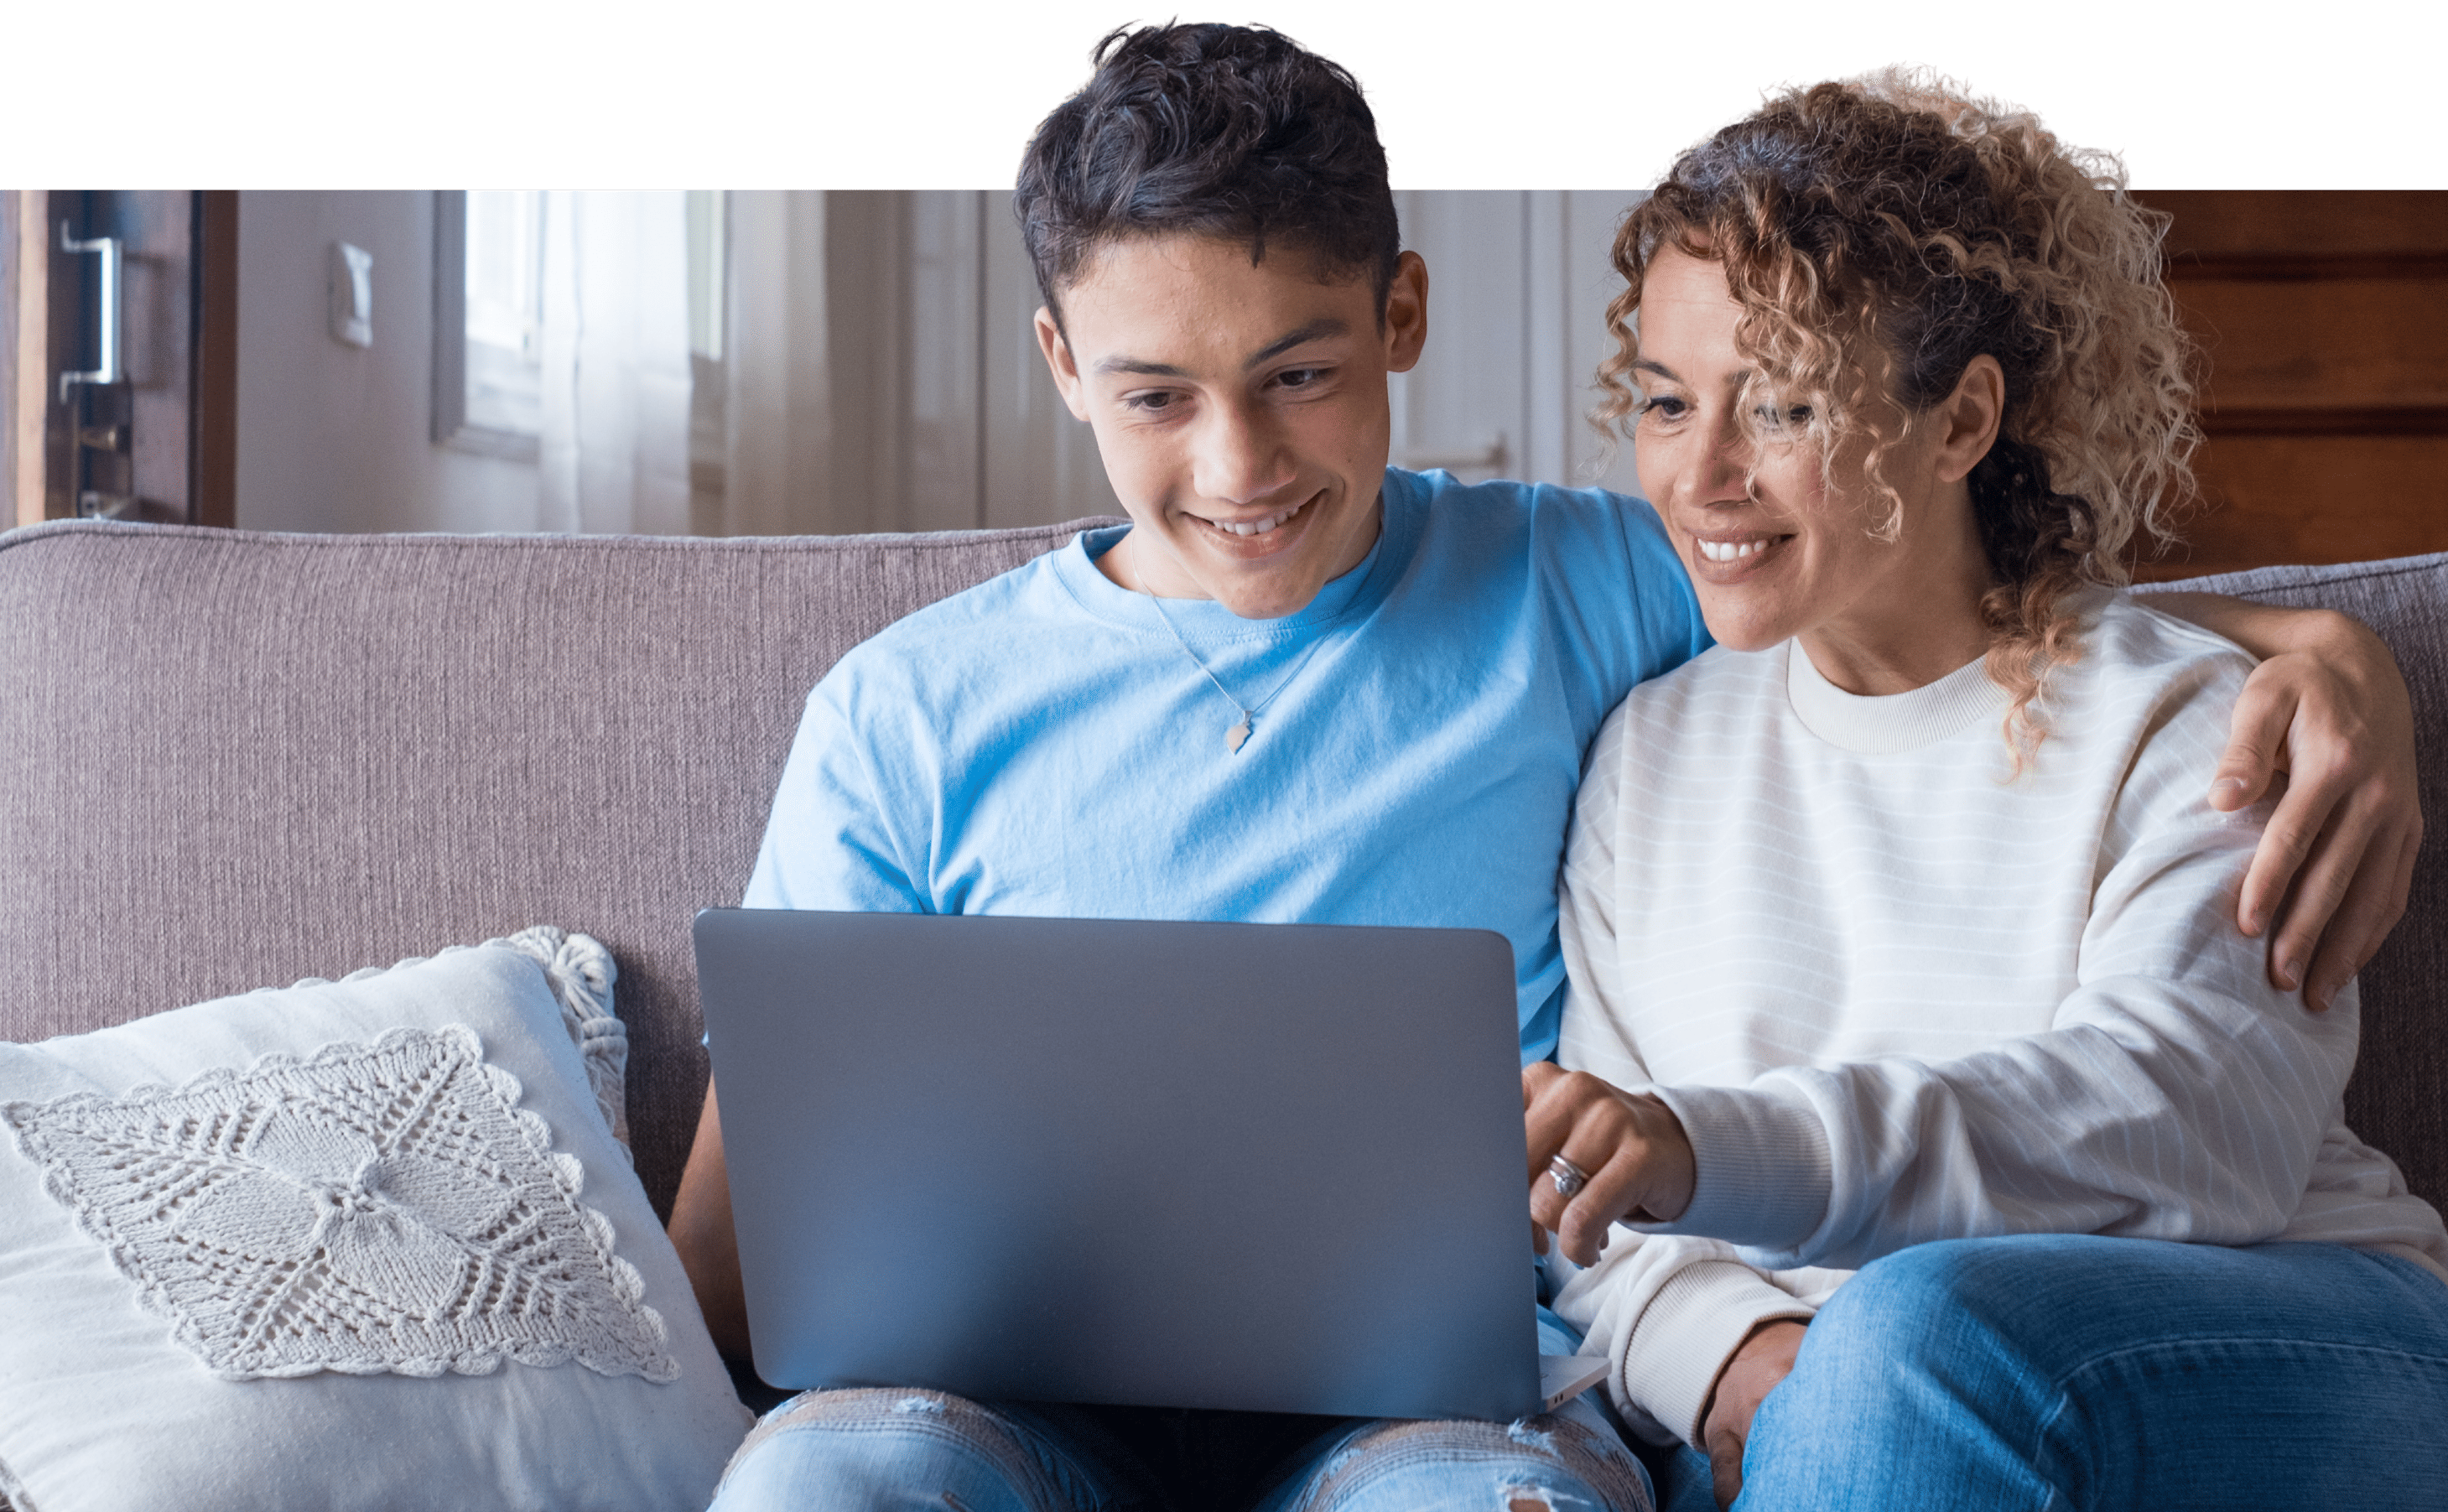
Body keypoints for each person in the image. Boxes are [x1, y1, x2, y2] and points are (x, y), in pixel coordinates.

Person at [671, 25, 2425, 1512]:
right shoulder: (905, 711)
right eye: (1155, 398)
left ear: (1402, 314)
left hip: (1441, 1406)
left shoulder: (1584, 596)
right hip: (1010, 1395)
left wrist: (2331, 653)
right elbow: (746, 1255)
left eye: (1299, 374)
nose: (1238, 464)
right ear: (1061, 362)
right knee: (824, 1483)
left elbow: (1927, 592)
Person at [1521, 66, 2448, 1512]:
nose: (1701, 474)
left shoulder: (2193, 719)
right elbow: (1601, 1218)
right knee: (1877, 1364)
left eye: (1782, 406)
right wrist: (1734, 1354)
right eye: (1665, 401)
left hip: (2282, 1327)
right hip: (1880, 1403)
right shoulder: (1649, 755)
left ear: (1961, 424)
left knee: (1912, 1332)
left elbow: (2186, 1127)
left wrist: (1712, 1151)